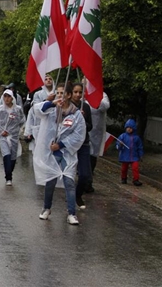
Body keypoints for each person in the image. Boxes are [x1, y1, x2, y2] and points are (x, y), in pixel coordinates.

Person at [33, 84, 86, 225]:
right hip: (52, 153)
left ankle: (71, 213)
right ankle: (46, 208)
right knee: (50, 180)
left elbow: (79, 135)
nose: (59, 96)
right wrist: (50, 103)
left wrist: (61, 145)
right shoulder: (51, 110)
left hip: (67, 152)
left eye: (62, 93)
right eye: (57, 93)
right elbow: (37, 110)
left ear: (68, 95)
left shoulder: (76, 114)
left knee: (69, 181)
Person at [0, 89, 26, 186]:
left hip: (13, 136)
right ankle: (8, 177)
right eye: (5, 96)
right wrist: (1, 131)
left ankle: (10, 171)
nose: (7, 98)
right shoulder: (0, 110)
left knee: (13, 157)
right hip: (3, 137)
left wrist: (16, 129)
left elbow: (22, 120)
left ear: (12, 98)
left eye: (9, 96)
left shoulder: (17, 109)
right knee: (6, 155)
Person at [68, 82, 94, 210]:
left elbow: (90, 126)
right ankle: (70, 201)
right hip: (69, 144)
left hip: (83, 144)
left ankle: (78, 195)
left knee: (84, 174)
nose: (78, 95)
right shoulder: (66, 106)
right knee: (69, 174)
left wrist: (82, 120)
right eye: (75, 92)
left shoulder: (86, 107)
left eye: (80, 92)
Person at [87, 90, 110, 192]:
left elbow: (105, 106)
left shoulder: (102, 95)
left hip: (95, 133)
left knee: (91, 157)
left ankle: (88, 183)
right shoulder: (79, 92)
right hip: (80, 132)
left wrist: (95, 98)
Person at [117, 119, 144, 186]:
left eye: (130, 128)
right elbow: (117, 146)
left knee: (135, 168)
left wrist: (140, 155)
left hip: (134, 156)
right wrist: (120, 144)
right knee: (124, 168)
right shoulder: (122, 136)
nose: (129, 129)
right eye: (127, 127)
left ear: (133, 129)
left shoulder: (137, 138)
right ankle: (123, 178)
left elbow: (140, 147)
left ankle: (136, 180)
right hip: (125, 155)